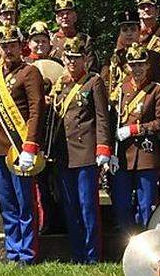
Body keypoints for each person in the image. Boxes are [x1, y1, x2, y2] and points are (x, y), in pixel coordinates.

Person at [0, 25, 45, 265]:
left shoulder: (30, 72)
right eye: (4, 46)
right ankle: (13, 251)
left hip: (19, 149)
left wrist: (30, 145)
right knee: (6, 204)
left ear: (21, 45)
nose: (8, 50)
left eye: (13, 45)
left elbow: (37, 111)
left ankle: (27, 253)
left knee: (25, 203)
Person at [49, 37, 111, 264]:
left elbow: (103, 118)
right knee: (70, 206)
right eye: (69, 58)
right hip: (64, 154)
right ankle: (77, 254)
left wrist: (103, 147)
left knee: (88, 206)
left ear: (85, 59)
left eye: (77, 58)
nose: (72, 62)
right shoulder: (61, 85)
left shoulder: (93, 82)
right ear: (64, 59)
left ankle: (92, 255)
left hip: (86, 153)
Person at [110, 42, 160, 235]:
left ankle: (149, 245)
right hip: (122, 156)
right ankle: (129, 247)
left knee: (147, 208)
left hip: (146, 155)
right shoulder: (120, 90)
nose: (136, 69)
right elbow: (112, 120)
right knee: (122, 205)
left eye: (140, 64)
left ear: (148, 66)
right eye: (133, 64)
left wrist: (134, 129)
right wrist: (110, 151)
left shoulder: (156, 90)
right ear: (127, 66)